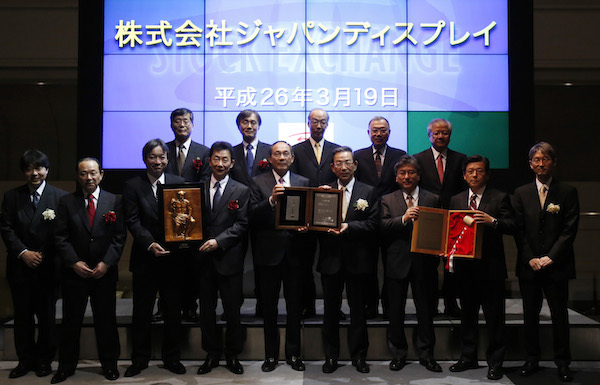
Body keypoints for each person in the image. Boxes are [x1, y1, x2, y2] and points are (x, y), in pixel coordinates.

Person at [51, 158, 126, 383]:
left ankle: (110, 365)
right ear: (77, 175)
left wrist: (107, 263)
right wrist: (74, 262)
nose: (89, 178)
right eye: (84, 174)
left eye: (93, 173)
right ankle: (66, 367)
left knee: (106, 321)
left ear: (101, 174)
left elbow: (119, 237)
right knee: (71, 321)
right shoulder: (66, 202)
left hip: (104, 272)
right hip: (75, 273)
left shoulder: (114, 201)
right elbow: (60, 237)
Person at [513, 142, 579, 383]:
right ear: (530, 164)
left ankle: (563, 363)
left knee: (559, 315)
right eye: (536, 160)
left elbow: (569, 230)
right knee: (530, 315)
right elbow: (519, 230)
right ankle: (532, 359)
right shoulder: (521, 193)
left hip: (557, 266)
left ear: (553, 162)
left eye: (546, 159)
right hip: (529, 266)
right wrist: (531, 257)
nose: (541, 164)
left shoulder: (567, 191)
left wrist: (551, 257)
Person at [0, 150, 67, 379]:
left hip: (48, 268)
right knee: (23, 317)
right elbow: (6, 229)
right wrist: (23, 252)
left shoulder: (60, 197)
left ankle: (44, 360)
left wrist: (40, 254)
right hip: (20, 267)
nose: (34, 173)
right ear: (24, 171)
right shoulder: (11, 197)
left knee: (47, 317)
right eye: (29, 168)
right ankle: (24, 360)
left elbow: (61, 233)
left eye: (39, 168)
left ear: (47, 170)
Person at [122, 139, 186, 377]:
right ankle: (139, 359)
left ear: (168, 159)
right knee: (142, 311)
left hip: (173, 258)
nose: (157, 161)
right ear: (145, 159)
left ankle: (172, 358)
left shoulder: (178, 183)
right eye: (152, 157)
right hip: (145, 257)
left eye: (161, 157)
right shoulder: (132, 186)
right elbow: (132, 220)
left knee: (172, 311)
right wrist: (150, 243)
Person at [448, 155, 516, 381]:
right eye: (470, 171)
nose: (474, 175)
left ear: (487, 174)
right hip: (465, 268)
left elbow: (512, 225)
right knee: (467, 315)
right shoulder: (456, 199)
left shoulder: (499, 197)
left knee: (494, 318)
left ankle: (495, 362)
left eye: (479, 171)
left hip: (491, 268)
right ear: (464, 175)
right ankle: (468, 357)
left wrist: (492, 221)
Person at [249, 141, 309, 372]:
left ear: (292, 158)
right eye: (277, 154)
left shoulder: (303, 182)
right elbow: (251, 215)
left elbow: (309, 214)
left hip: (295, 254)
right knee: (269, 309)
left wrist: (307, 226)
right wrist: (271, 201)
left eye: (286, 153)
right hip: (268, 255)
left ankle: (294, 354)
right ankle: (271, 355)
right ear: (270, 158)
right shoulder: (258, 182)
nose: (282, 157)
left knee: (294, 308)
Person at [318, 147, 378, 374]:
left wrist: (349, 226)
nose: (343, 167)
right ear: (332, 167)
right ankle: (331, 357)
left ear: (355, 165)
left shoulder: (369, 191)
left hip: (358, 260)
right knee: (330, 311)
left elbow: (374, 224)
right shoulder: (324, 191)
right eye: (338, 163)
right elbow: (316, 224)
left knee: (358, 312)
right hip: (331, 259)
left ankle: (359, 357)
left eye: (347, 163)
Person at [380, 155, 441, 373]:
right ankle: (398, 354)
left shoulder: (432, 198)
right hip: (396, 262)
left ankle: (427, 354)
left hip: (424, 263)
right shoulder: (388, 199)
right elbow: (382, 226)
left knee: (426, 311)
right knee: (395, 311)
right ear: (396, 177)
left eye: (411, 172)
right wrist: (404, 218)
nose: (407, 176)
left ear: (419, 175)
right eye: (402, 173)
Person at [196, 142, 249, 375]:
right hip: (202, 260)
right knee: (206, 310)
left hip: (229, 258)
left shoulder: (241, 190)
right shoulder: (196, 187)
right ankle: (211, 353)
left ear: (232, 163)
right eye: (216, 159)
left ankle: (232, 354)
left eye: (225, 160)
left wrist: (219, 241)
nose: (220, 164)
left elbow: (242, 224)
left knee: (232, 310)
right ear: (209, 161)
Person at [354, 116, 407, 318]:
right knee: (368, 266)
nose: (378, 134)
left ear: (389, 132)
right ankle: (371, 306)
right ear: (368, 133)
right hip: (366, 219)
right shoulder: (358, 156)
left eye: (382, 130)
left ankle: (389, 306)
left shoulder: (400, 155)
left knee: (391, 266)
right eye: (374, 130)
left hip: (391, 218)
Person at [413, 118, 467, 317]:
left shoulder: (461, 159)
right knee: (429, 265)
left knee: (451, 265)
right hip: (429, 218)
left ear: (450, 135)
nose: (440, 136)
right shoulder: (418, 159)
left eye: (444, 133)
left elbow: (463, 190)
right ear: (429, 136)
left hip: (454, 218)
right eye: (436, 133)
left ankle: (451, 304)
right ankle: (432, 304)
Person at [291, 108, 340, 318]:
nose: (318, 125)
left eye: (322, 122)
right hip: (306, 216)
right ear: (308, 123)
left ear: (327, 124)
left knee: (333, 266)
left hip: (330, 215)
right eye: (314, 121)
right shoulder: (296, 149)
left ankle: (334, 309)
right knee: (304, 265)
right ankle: (307, 306)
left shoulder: (336, 149)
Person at [164, 107, 210, 322]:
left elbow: (207, 181)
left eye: (186, 121)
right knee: (169, 264)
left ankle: (191, 305)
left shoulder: (204, 151)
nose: (182, 124)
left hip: (194, 216)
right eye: (177, 121)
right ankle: (165, 306)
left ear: (192, 124)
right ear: (171, 124)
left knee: (192, 264)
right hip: (168, 215)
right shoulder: (162, 149)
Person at [229, 109, 271, 318]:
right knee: (234, 262)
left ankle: (262, 306)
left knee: (262, 264)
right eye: (245, 122)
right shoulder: (231, 152)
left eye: (253, 122)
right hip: (236, 217)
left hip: (262, 215)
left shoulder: (270, 151)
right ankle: (233, 307)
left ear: (258, 126)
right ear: (239, 126)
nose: (249, 126)